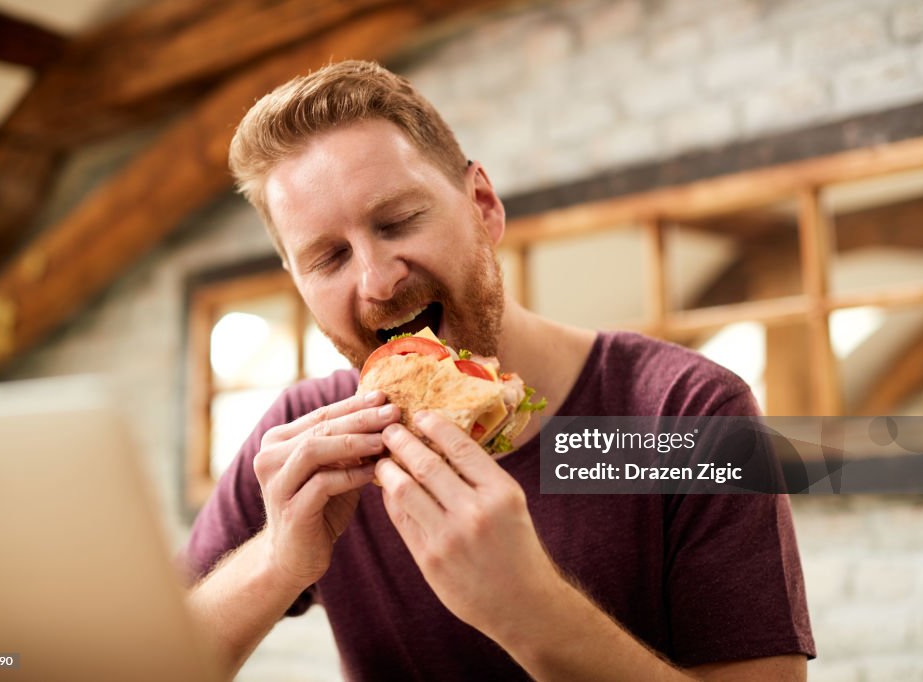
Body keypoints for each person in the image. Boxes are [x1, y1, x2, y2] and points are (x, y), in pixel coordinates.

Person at [181, 60, 815, 681]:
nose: (377, 279)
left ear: (482, 204)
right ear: (298, 284)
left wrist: (530, 609)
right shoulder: (305, 441)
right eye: (328, 257)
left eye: (399, 221)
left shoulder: (686, 414)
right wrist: (275, 561)